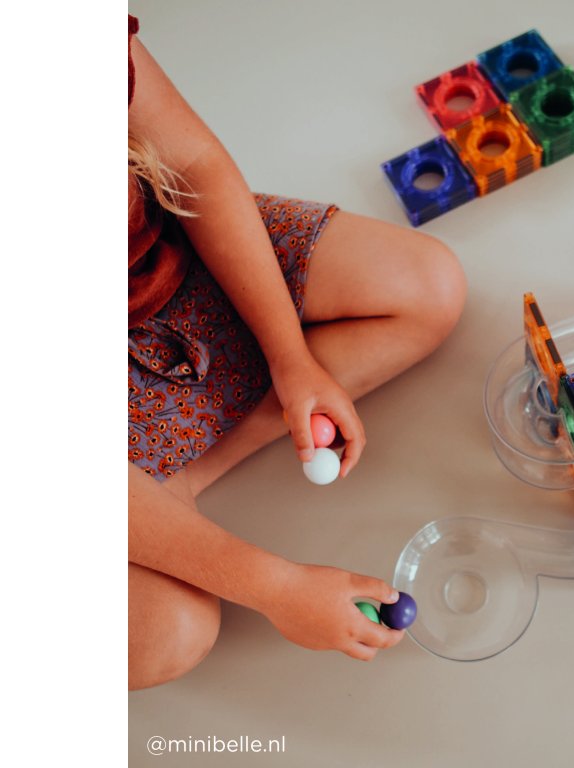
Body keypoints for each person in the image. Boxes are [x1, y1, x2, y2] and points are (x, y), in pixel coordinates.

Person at [127, 16, 466, 690]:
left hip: (161, 261)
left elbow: (191, 163)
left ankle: (173, 483)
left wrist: (291, 358)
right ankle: (151, 494)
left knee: (426, 285)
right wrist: (278, 587)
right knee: (169, 630)